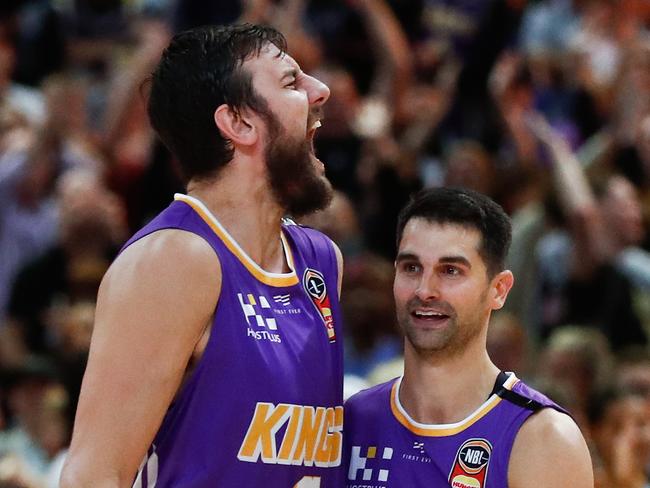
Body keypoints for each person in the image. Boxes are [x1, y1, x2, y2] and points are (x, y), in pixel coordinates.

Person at [60, 23, 345, 487]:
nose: (320, 89)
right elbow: (94, 475)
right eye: (291, 81)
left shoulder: (320, 261)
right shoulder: (175, 260)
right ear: (239, 123)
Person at [343, 187, 593, 487]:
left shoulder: (543, 439)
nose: (425, 290)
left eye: (450, 271)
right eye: (411, 267)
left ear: (498, 289)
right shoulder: (353, 419)